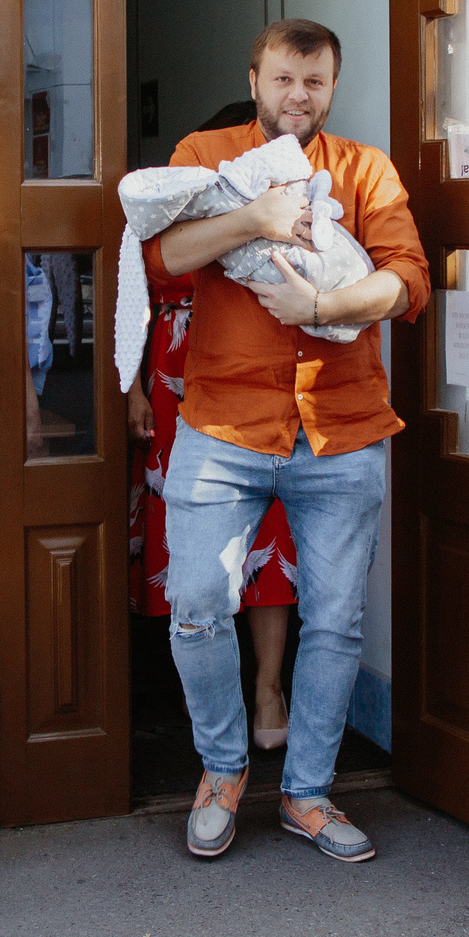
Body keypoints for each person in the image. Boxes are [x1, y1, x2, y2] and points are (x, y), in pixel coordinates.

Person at [148, 19, 429, 862]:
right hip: (222, 426)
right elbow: (163, 258)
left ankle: (308, 793)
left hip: (341, 429)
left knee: (335, 621)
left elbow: (408, 281)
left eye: (314, 82)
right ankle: (222, 773)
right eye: (283, 79)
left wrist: (324, 308)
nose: (297, 96)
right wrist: (255, 218)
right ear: (255, 79)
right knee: (196, 604)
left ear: (332, 87)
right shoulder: (205, 154)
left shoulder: (365, 169)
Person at [130, 102, 300, 751]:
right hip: (173, 383)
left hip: (257, 392)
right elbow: (133, 300)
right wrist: (131, 392)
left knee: (269, 537)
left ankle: (268, 687)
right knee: (191, 545)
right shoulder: (175, 206)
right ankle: (201, 691)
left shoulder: (287, 208)